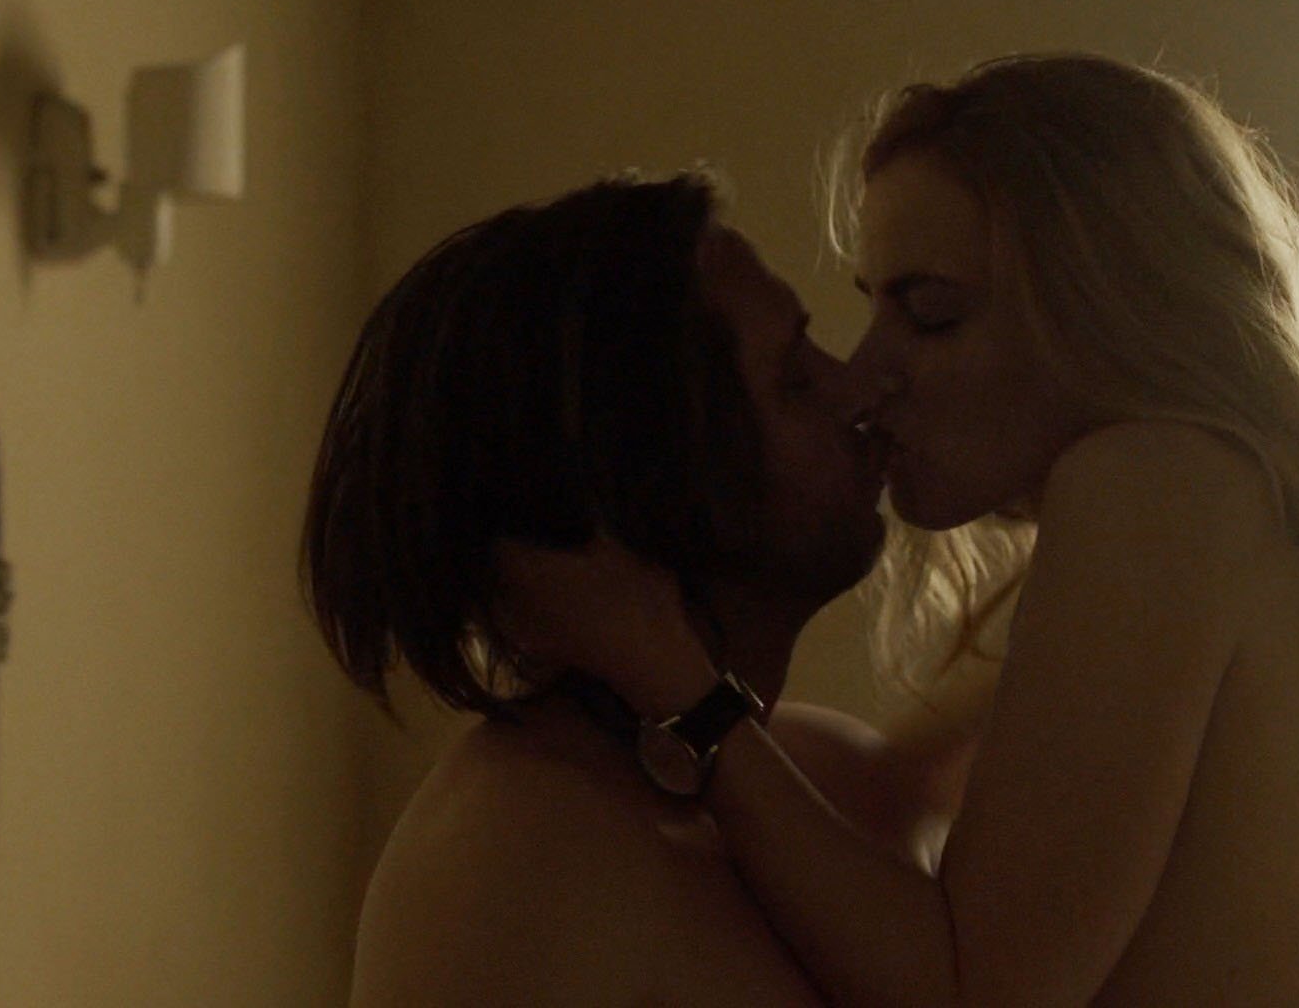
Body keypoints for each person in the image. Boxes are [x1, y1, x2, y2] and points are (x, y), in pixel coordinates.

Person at [492, 53, 1299, 1006]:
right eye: (874, 308)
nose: (867, 373)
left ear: (1112, 305)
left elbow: (975, 992)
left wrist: (683, 692)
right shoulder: (1227, 512)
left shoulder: (1154, 485)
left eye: (932, 314)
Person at [300, 171, 955, 1005]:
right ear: (660, 484)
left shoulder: (846, 779)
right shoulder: (517, 857)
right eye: (793, 379)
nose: (856, 392)